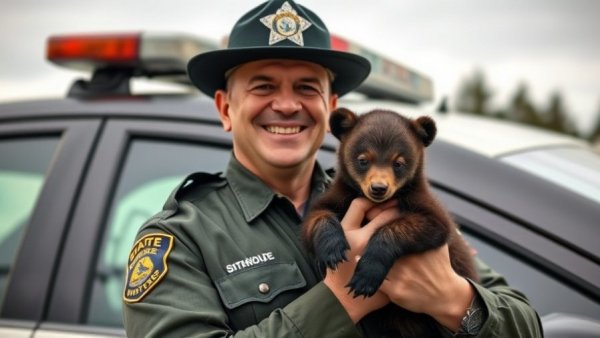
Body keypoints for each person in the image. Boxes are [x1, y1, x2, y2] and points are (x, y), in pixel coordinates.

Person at [122, 0, 542, 337]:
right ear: (225, 107)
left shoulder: (397, 204)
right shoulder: (184, 236)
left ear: (331, 110)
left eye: (307, 87)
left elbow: (526, 325)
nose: (286, 104)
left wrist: (455, 302)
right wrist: (339, 301)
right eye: (263, 85)